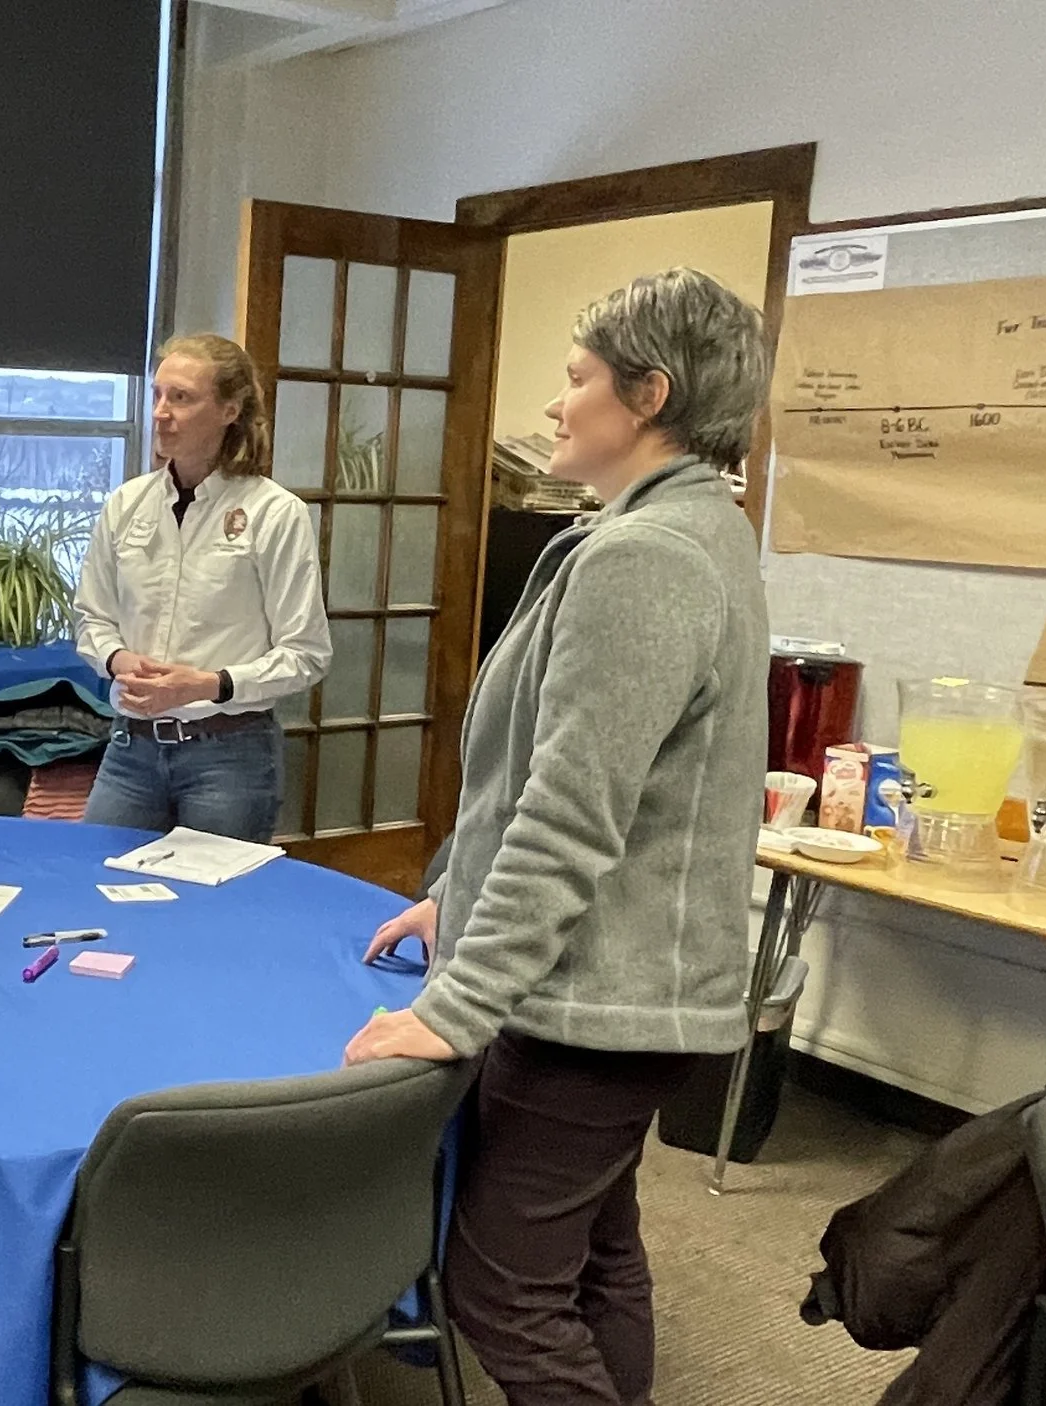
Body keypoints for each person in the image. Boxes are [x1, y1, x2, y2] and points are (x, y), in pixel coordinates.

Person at [343, 269, 773, 1406]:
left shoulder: (646, 558)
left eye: (577, 377)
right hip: (636, 987)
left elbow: (570, 814)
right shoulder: (695, 528)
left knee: (501, 1291)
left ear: (649, 394)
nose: (553, 402)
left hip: (597, 1004)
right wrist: (459, 892)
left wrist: (452, 1009)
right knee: (593, 1251)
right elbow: (607, 782)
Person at [73, 333, 329, 843]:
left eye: (181, 398)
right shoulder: (126, 505)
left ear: (229, 411)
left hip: (229, 757)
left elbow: (306, 654)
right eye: (157, 395)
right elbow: (91, 618)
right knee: (95, 877)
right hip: (130, 750)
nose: (161, 413)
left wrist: (209, 684)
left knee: (212, 894)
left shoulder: (275, 513)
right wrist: (118, 660)